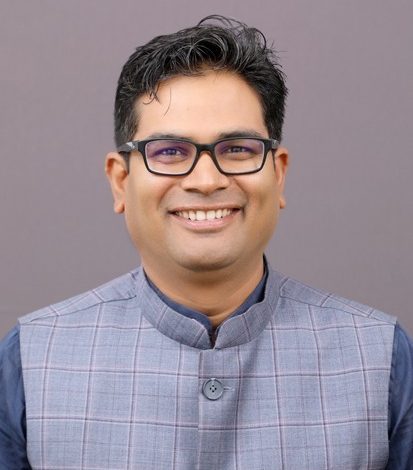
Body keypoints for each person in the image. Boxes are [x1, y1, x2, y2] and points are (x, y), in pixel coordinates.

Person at [0, 15, 412, 470]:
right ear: (120, 181)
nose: (206, 180)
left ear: (278, 174)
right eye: (168, 151)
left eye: (237, 149)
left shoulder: (381, 358)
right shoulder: (31, 359)